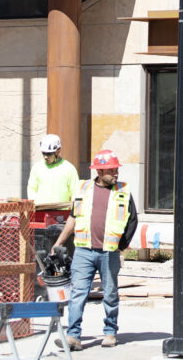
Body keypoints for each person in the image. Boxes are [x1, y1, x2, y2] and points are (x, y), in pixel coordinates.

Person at [52, 149, 138, 351]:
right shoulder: (83, 189)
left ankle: (110, 332)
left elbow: (133, 221)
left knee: (110, 294)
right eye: (111, 170)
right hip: (84, 251)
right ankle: (73, 336)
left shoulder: (123, 191)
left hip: (109, 252)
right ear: (99, 172)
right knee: (78, 294)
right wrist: (59, 243)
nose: (116, 173)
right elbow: (73, 218)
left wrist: (121, 245)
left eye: (116, 169)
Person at [26, 134, 80, 203]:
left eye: (49, 154)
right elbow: (32, 189)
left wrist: (74, 209)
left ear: (58, 151)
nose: (46, 157)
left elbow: (75, 192)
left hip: (61, 209)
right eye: (43, 153)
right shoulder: (36, 168)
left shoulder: (69, 169)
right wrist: (34, 204)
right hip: (40, 209)